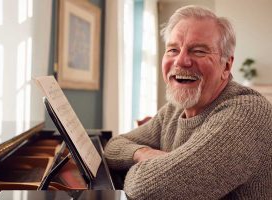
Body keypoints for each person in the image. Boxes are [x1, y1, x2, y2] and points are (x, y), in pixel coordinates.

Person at [104, 5, 272, 200]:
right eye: (173, 50)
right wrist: (143, 153)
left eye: (199, 51)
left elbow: (146, 189)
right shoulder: (174, 110)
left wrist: (138, 169)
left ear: (226, 65)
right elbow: (113, 146)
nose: (181, 61)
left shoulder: (248, 113)